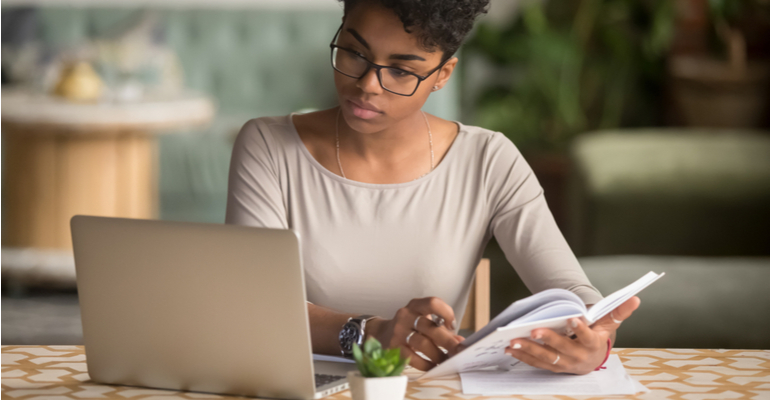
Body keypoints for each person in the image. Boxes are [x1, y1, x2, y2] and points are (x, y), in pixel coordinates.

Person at [225, 0, 640, 375]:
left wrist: (594, 340)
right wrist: (370, 334)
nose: (368, 84)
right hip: (302, 386)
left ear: (442, 74)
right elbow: (251, 303)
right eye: (354, 53)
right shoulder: (268, 145)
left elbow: (570, 292)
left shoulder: (488, 159)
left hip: (428, 388)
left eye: (402, 70)